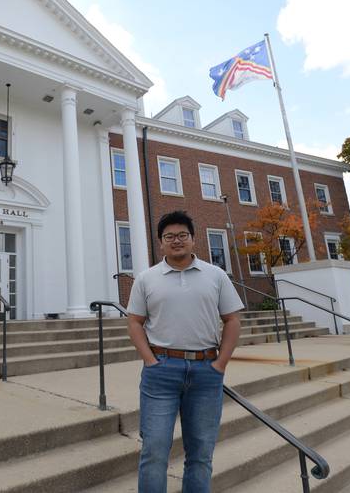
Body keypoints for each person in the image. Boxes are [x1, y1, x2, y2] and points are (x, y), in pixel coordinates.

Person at [127, 210, 244, 492]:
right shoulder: (146, 278)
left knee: (201, 454)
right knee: (154, 451)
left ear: (193, 239)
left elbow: (232, 320)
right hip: (161, 371)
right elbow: (134, 322)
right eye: (169, 237)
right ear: (160, 242)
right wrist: (150, 361)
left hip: (206, 371)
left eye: (182, 235)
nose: (176, 240)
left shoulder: (215, 275)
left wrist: (220, 364)